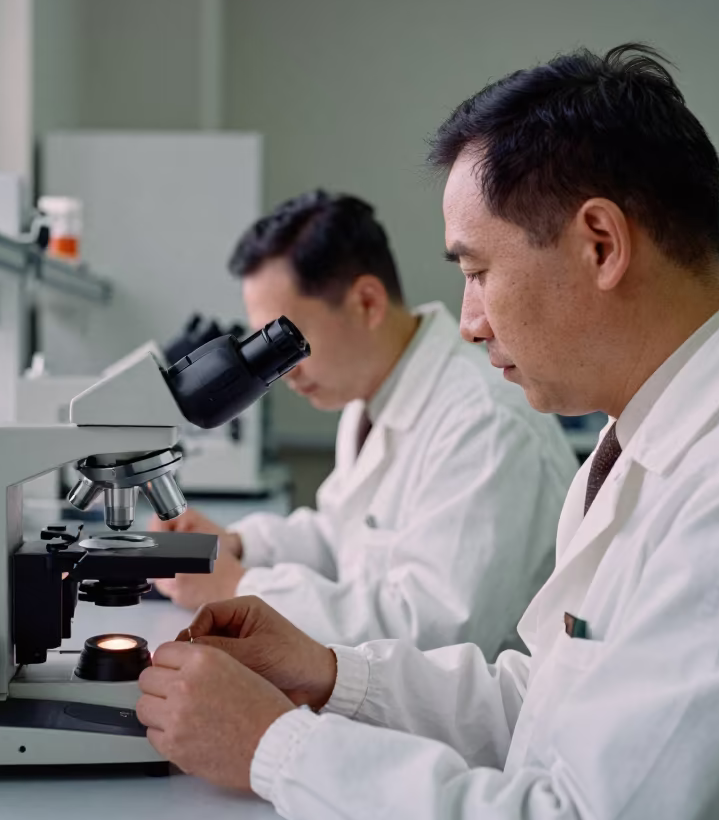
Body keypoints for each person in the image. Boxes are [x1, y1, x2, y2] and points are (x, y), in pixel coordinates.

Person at [133, 44, 719, 820]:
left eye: (477, 271)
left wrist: (275, 748)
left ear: (601, 244)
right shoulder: (642, 433)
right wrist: (330, 673)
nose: (470, 321)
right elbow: (548, 708)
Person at [151, 190, 578, 655]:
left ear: (367, 303)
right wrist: (235, 546)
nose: (282, 372)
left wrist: (239, 587)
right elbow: (342, 540)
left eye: (286, 342)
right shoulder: (368, 397)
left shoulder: (486, 426)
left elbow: (434, 633)